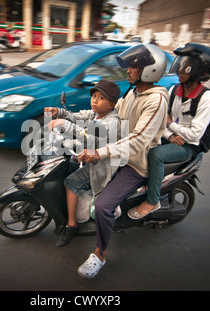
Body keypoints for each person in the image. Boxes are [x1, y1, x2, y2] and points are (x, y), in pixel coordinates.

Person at [75, 44, 169, 278]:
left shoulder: (155, 100)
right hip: (117, 155)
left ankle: (100, 254)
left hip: (134, 163)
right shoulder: (131, 93)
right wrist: (77, 122)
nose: (128, 70)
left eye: (134, 66)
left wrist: (99, 153)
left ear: (150, 70)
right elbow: (111, 116)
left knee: (104, 206)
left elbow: (138, 140)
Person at [128, 43, 210, 220]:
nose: (180, 69)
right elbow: (161, 121)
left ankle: (152, 200)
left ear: (199, 71)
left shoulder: (206, 97)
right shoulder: (174, 90)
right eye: (180, 63)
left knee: (156, 155)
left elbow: (194, 135)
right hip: (172, 137)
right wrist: (171, 134)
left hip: (189, 146)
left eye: (186, 66)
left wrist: (172, 126)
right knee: (138, 144)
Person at [44, 79, 121, 247]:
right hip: (88, 155)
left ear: (112, 104)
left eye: (101, 98)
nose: (94, 100)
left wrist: (63, 124)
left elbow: (88, 136)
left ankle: (71, 225)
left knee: (70, 182)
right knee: (68, 162)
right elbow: (76, 117)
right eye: (94, 96)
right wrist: (58, 111)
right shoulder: (96, 114)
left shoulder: (112, 122)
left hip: (102, 165)